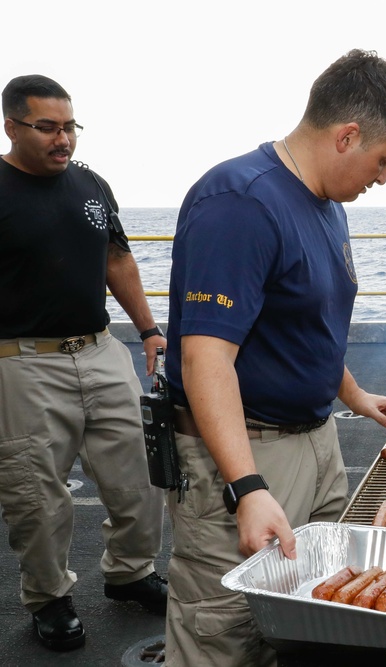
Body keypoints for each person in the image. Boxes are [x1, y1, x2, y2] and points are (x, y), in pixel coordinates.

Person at [163, 49, 386, 666]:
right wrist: (247, 487)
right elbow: (207, 361)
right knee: (225, 633)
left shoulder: (327, 202)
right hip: (247, 451)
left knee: (322, 614)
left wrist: (352, 393)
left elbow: (302, 323)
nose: (385, 176)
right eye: (384, 160)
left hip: (317, 443)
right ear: (347, 135)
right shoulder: (241, 203)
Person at [0, 75, 168, 652]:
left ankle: (131, 571)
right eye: (47, 127)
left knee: (143, 474)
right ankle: (49, 597)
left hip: (100, 350)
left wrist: (147, 329)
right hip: (22, 363)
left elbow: (116, 259)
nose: (62, 138)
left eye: (69, 126)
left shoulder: (92, 184)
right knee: (35, 493)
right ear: (11, 126)